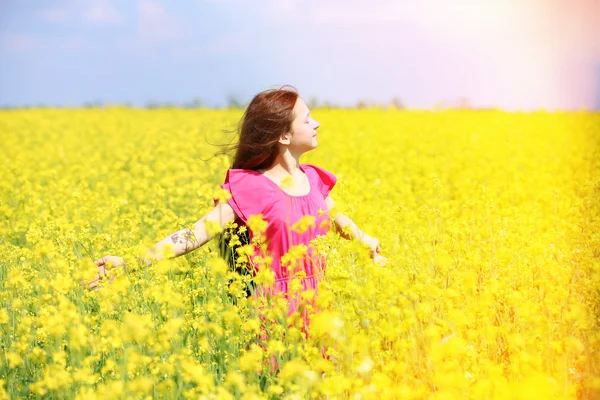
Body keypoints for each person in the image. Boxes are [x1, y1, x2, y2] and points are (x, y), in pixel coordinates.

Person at [91, 85, 386, 325]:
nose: (317, 123)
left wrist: (367, 242)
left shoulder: (313, 180)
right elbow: (195, 234)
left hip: (320, 311)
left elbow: (339, 219)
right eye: (307, 119)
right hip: (274, 315)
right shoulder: (251, 189)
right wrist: (130, 262)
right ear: (284, 136)